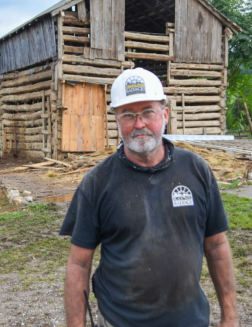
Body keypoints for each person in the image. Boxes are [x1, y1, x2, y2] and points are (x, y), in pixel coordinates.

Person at [60, 68, 238, 327]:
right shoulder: (97, 183)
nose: (139, 123)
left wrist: (230, 318)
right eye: (128, 115)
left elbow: (217, 247)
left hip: (190, 320)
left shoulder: (196, 170)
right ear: (117, 121)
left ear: (164, 114)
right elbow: (78, 264)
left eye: (147, 112)